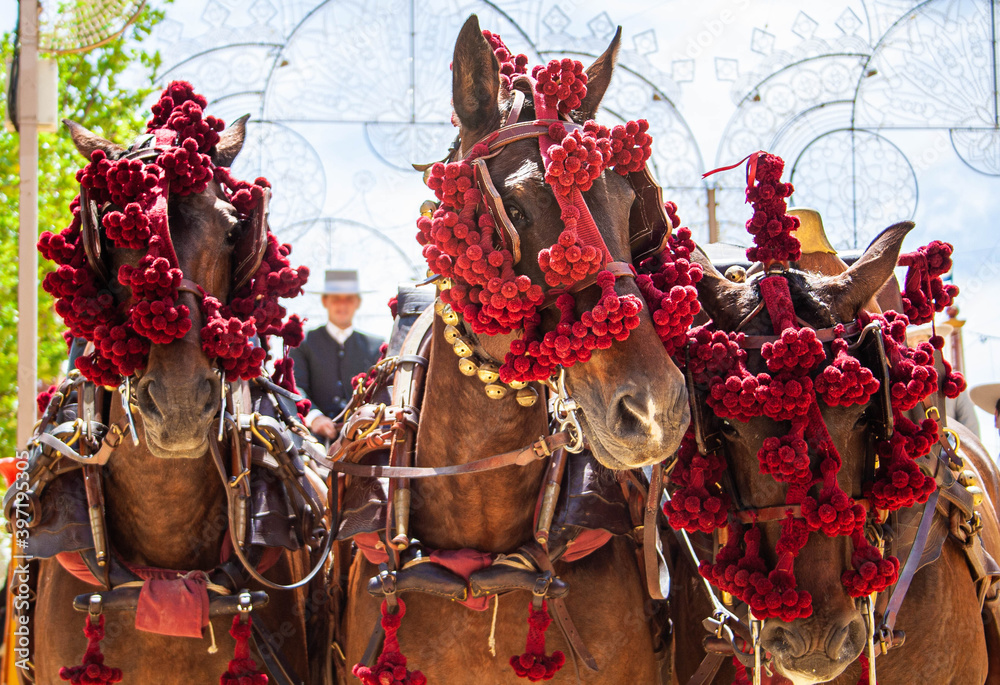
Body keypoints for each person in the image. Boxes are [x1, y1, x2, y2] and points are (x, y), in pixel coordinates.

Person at [290, 269, 383, 439]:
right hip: (312, 440)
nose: (342, 305)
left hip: (365, 438)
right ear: (325, 301)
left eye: (348, 299)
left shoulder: (377, 347)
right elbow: (296, 386)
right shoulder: (303, 343)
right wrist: (314, 417)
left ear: (358, 302)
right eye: (336, 299)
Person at [906, 322, 981, 438]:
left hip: (949, 450)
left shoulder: (950, 383)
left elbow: (970, 431)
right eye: (909, 344)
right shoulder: (900, 386)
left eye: (920, 342)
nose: (915, 349)